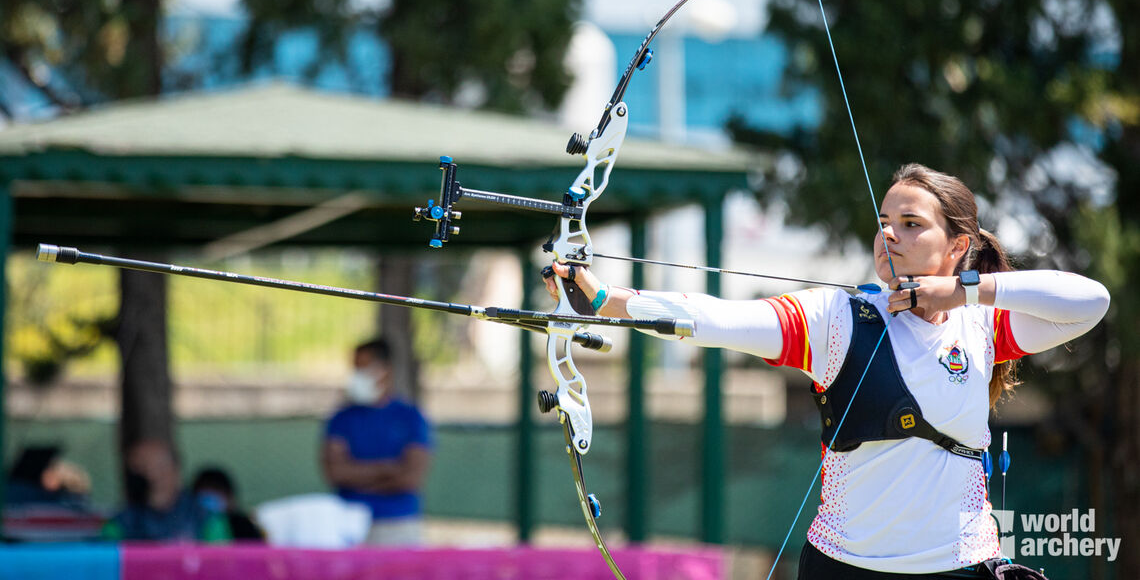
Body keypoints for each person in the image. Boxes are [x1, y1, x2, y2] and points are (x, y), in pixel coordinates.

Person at [543, 163, 1110, 580]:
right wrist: (609, 300)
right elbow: (717, 317)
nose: (889, 234)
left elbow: (1090, 302)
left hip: (959, 565)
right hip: (845, 567)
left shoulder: (983, 326)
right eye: (885, 221)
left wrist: (966, 292)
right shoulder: (836, 318)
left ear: (958, 245)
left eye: (912, 224)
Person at [321, 337, 433, 545]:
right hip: (348, 524)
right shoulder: (341, 418)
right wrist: (387, 469)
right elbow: (336, 473)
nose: (357, 376)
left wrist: (359, 477)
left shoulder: (410, 417)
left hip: (398, 525)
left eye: (363, 369)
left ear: (386, 370)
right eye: (355, 369)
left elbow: (411, 478)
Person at [102, 438, 229, 542]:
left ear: (175, 469)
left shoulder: (206, 518)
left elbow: (222, 563)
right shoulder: (120, 523)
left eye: (159, 467)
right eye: (137, 469)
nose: (151, 475)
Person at [191, 465, 265, 541]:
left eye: (216, 490)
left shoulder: (243, 525)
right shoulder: (189, 525)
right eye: (204, 492)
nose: (209, 497)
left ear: (230, 496)